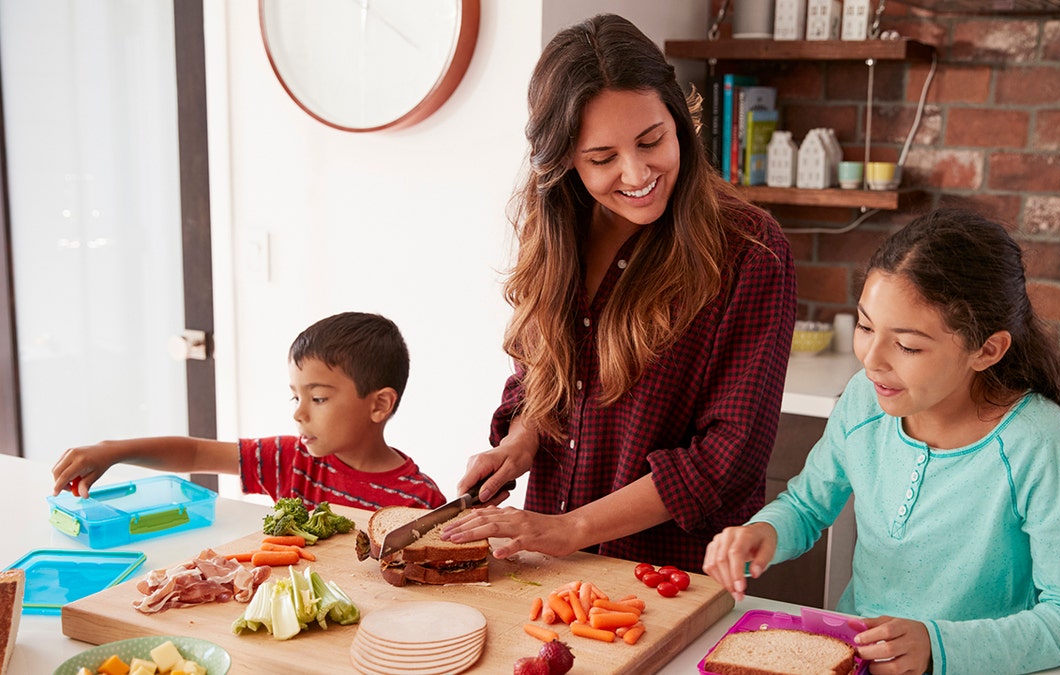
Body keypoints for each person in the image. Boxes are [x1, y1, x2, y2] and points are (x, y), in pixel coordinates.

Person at [441, 14, 796, 575]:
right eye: (602, 159)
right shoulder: (556, 233)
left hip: (669, 579)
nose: (637, 173)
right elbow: (542, 375)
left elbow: (728, 455)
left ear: (678, 120)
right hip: (548, 566)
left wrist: (572, 528)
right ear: (564, 161)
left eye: (652, 140)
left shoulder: (749, 250)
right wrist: (520, 440)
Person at [703, 209, 1060, 675]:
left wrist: (937, 646)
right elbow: (806, 505)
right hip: (861, 659)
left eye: (907, 345)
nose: (873, 360)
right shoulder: (865, 400)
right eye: (866, 327)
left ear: (987, 350)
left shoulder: (1036, 441)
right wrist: (765, 533)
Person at [51, 311, 447, 511]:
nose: (299, 414)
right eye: (296, 397)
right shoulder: (291, 460)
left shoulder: (418, 500)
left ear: (379, 404)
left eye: (318, 398)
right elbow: (195, 453)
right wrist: (113, 451)